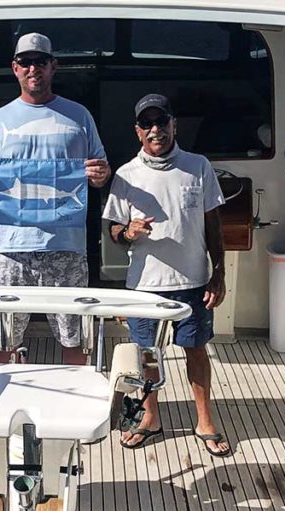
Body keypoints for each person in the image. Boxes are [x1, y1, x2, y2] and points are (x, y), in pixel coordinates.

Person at [0, 32, 111, 365]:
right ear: (15, 68)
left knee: (74, 337)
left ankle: (76, 404)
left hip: (66, 247)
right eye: (26, 62)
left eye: (40, 62)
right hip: (10, 250)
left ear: (53, 66)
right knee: (3, 340)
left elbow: (101, 172)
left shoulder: (80, 117)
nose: (34, 69)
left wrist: (100, 175)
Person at [102, 94, 231, 456]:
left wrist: (217, 274)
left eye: (161, 122)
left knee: (196, 349)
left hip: (193, 282)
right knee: (147, 356)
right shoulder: (126, 175)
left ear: (174, 125)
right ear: (138, 131)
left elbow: (213, 226)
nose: (155, 129)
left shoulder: (198, 166)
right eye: (147, 124)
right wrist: (129, 232)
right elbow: (113, 231)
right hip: (145, 286)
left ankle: (205, 421)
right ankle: (149, 418)